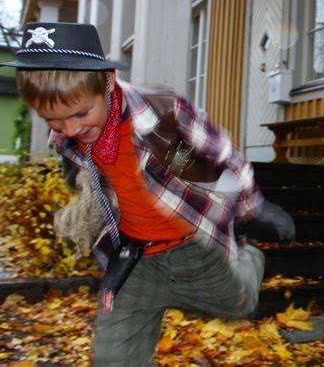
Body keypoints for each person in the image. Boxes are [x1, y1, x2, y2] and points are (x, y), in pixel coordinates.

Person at [1, 22, 285, 365]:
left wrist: (255, 206)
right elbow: (92, 179)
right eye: (55, 121)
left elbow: (225, 156)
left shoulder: (162, 114)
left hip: (194, 249)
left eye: (81, 114)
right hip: (135, 258)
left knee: (238, 305)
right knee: (113, 359)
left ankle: (250, 261)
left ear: (107, 82)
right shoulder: (69, 137)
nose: (71, 129)